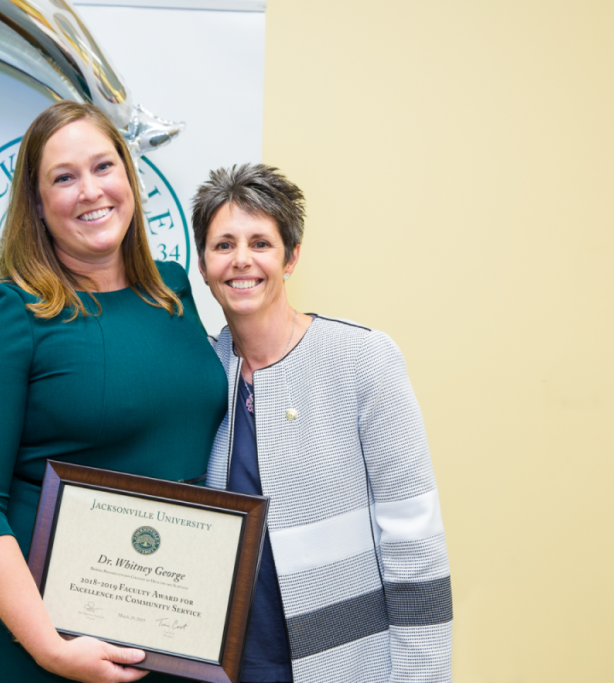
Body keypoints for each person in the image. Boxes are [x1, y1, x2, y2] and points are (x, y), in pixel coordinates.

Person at [0, 101, 227, 683]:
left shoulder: (172, 289)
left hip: (170, 633)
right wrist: (49, 646)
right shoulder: (9, 313)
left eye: (103, 167)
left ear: (129, 176)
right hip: (37, 648)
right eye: (64, 178)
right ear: (38, 206)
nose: (91, 191)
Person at [192, 164, 453, 683]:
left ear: (291, 257)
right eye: (223, 245)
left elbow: (414, 543)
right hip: (226, 667)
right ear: (201, 263)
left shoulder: (361, 358)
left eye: (260, 243)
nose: (242, 260)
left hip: (344, 665)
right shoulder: (198, 372)